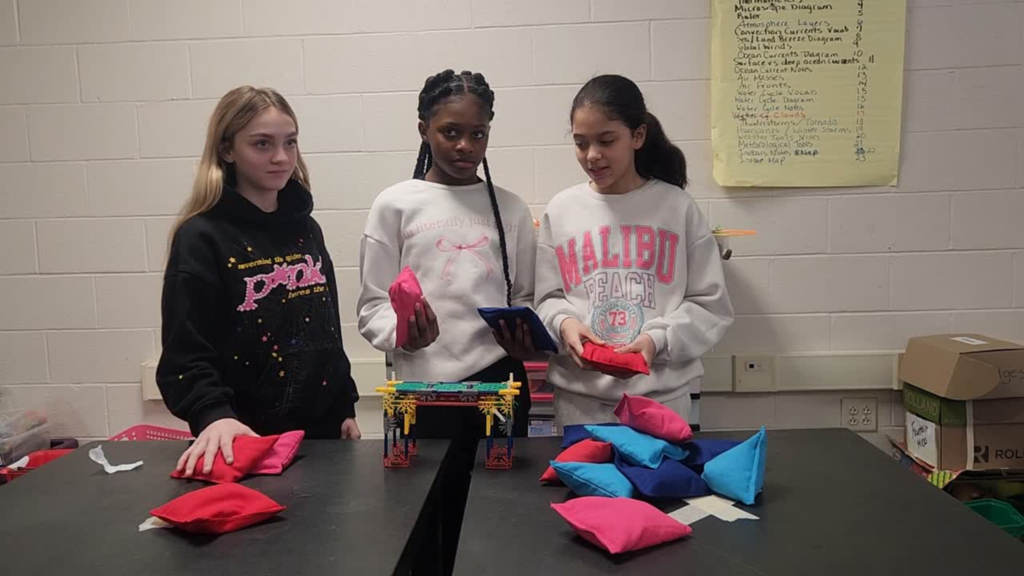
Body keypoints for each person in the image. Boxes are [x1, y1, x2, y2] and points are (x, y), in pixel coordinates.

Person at [357, 69, 537, 575]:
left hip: (499, 387)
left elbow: (525, 297)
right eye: (450, 132)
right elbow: (372, 307)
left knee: (498, 529)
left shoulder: (511, 209)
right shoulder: (395, 204)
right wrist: (403, 333)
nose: (465, 145)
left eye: (477, 133)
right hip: (421, 393)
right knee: (421, 530)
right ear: (423, 129)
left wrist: (524, 337)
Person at [157, 86, 360, 478]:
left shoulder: (306, 229)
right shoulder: (201, 237)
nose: (281, 157)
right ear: (227, 150)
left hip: (321, 440)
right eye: (262, 144)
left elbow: (327, 330)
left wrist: (343, 405)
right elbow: (185, 351)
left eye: (290, 142)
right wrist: (213, 414)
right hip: (243, 442)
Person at [535, 74, 734, 427]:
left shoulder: (676, 207)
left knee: (661, 468)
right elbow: (547, 298)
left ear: (637, 136)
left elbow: (709, 305)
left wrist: (657, 340)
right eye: (581, 143)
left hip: (661, 402)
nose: (592, 155)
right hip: (580, 404)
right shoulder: (562, 209)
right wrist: (564, 323)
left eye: (606, 141)